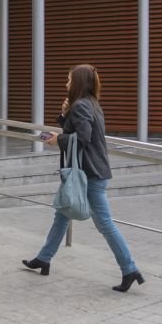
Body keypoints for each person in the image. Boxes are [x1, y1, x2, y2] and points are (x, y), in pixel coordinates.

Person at [21, 64, 145, 293]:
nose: (66, 84)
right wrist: (64, 116)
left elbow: (84, 137)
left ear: (77, 82)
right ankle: (44, 258)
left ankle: (130, 269)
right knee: (61, 214)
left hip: (89, 174)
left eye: (68, 80)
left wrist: (56, 140)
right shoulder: (90, 103)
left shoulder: (81, 105)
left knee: (105, 224)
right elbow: (78, 129)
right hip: (94, 170)